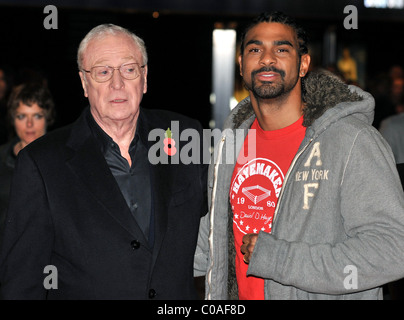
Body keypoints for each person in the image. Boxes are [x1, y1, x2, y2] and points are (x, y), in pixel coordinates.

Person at [194, 11, 404, 300]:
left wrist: (280, 259)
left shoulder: (351, 140)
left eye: (281, 49)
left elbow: (394, 250)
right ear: (241, 64)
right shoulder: (231, 144)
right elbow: (214, 239)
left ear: (303, 64)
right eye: (255, 49)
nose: (267, 59)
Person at [0, 24, 207, 299]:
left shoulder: (185, 137)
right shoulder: (41, 163)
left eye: (129, 69)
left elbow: (220, 229)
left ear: (144, 78)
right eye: (103, 72)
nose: (117, 83)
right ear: (84, 84)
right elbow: (21, 282)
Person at [0, 83, 55, 247]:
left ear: (48, 118)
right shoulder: (1, 159)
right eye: (21, 116)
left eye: (37, 116)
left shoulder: (65, 161)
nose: (29, 124)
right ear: (12, 119)